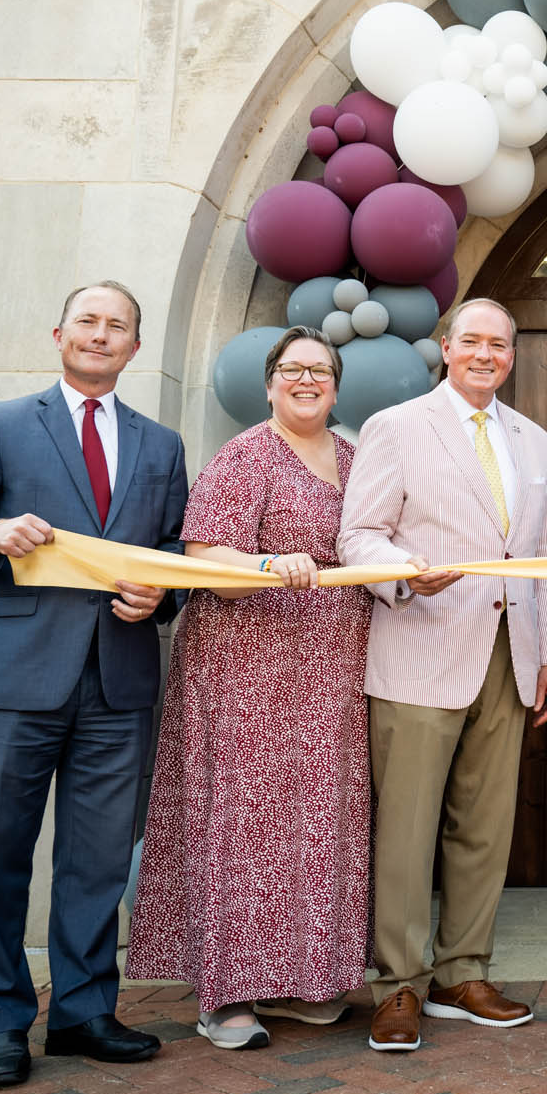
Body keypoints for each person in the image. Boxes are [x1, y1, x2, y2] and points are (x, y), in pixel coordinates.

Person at [0, 282, 187, 1088]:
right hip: (17, 679)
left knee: (98, 862)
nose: (101, 336)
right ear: (60, 334)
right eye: (89, 323)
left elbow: (174, 554)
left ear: (135, 348)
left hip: (119, 681)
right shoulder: (2, 424)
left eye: (118, 328)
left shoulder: (162, 444)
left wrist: (162, 597)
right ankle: (1, 1025)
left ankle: (82, 1013)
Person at [125, 327, 376, 1050]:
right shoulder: (245, 455)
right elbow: (203, 554)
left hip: (330, 674)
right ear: (269, 384)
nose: (306, 380)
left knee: (319, 822)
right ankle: (226, 995)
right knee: (246, 826)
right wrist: (268, 565)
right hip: (247, 671)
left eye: (320, 371)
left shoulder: (357, 459)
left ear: (336, 385)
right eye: (292, 370)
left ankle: (303, 981)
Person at [339, 298, 547, 1053]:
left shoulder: (532, 441)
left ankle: (462, 973)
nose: (484, 354)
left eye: (498, 344)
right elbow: (359, 535)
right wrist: (403, 575)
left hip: (511, 657)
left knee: (484, 828)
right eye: (470, 340)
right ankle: (398, 985)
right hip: (419, 649)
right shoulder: (397, 427)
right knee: (404, 833)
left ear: (511, 355)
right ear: (445, 347)